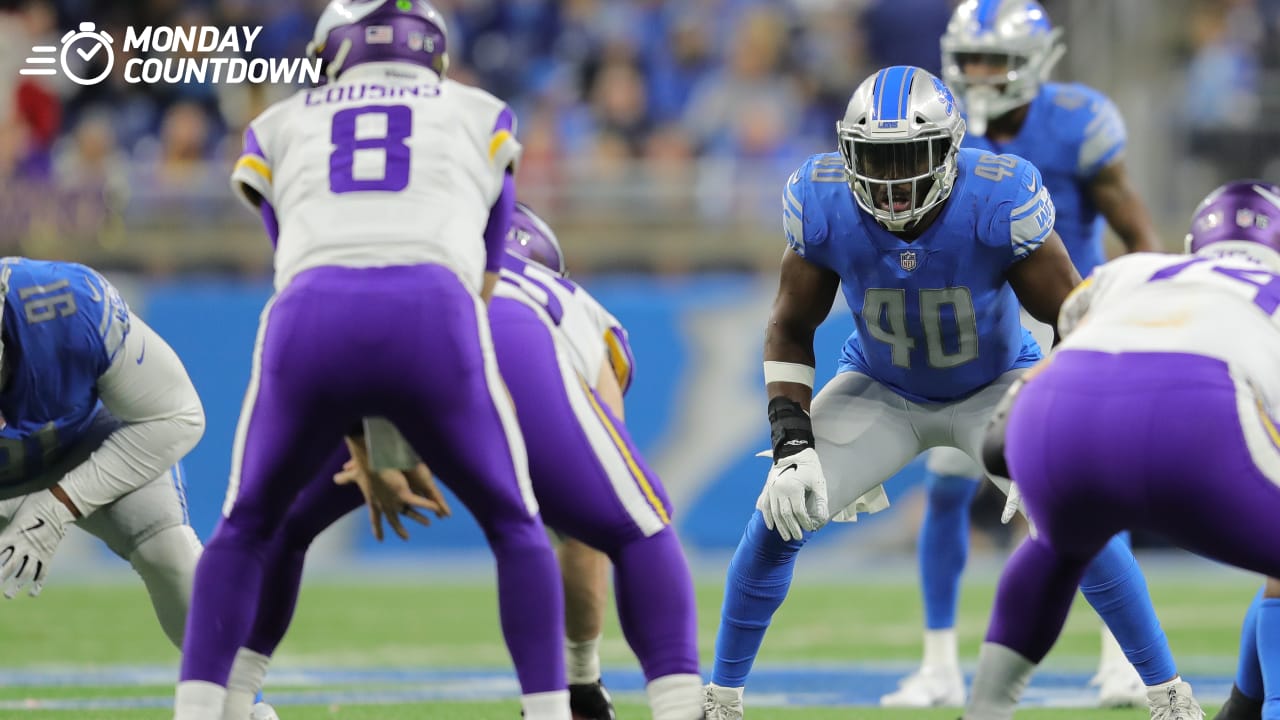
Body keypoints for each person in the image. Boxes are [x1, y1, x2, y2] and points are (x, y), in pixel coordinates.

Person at [702, 64, 1196, 720]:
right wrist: (791, 444)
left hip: (994, 389)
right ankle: (719, 700)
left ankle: (1169, 695)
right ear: (847, 154)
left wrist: (1049, 419)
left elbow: (1073, 319)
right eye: (875, 160)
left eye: (909, 157)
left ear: (950, 150)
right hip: (882, 390)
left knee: (1079, 515)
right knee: (777, 514)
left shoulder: (996, 198)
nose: (893, 181)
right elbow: (790, 328)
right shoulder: (822, 203)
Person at [171, 2, 572, 719]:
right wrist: (396, 436)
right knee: (515, 524)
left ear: (333, 54)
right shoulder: (479, 112)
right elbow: (482, 277)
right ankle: (550, 712)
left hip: (310, 311)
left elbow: (298, 255)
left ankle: (203, 711)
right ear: (436, 55)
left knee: (248, 523)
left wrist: (368, 441)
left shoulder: (281, 123)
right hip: (432, 306)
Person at [886, 0, 1166, 707]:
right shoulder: (931, 121)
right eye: (970, 59)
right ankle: (939, 662)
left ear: (1036, 63)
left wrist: (1145, 309)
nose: (980, 75)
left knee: (1089, 484)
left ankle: (1122, 661)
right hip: (982, 319)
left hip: (1068, 311)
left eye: (995, 60)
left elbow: (1137, 228)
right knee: (948, 481)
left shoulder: (1077, 123)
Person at [965, 180, 1280, 719]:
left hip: (1054, 415)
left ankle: (984, 709)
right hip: (1196, 416)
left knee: (1058, 549)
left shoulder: (1133, 271)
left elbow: (1071, 341)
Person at [0, 259, 275, 717]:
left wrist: (59, 505)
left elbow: (179, 416)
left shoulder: (65, 305)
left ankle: (241, 708)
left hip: (78, 441)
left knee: (167, 550)